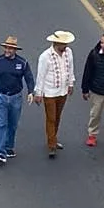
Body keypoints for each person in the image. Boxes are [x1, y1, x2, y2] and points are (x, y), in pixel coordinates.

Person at [0, 36, 34, 164]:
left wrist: (31, 92)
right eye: (6, 47)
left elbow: (29, 78)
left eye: (10, 48)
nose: (8, 50)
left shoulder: (22, 63)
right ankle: (0, 151)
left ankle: (9, 147)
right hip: (0, 97)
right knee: (1, 124)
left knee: (13, 124)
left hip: (16, 97)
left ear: (15, 50)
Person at [33, 30, 76, 158]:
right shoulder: (45, 56)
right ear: (56, 43)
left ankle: (54, 138)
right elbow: (41, 75)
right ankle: (51, 144)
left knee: (58, 116)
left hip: (62, 91)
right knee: (51, 118)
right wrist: (38, 93)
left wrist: (71, 83)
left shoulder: (68, 53)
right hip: (50, 92)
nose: (66, 46)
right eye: (63, 44)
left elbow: (70, 68)